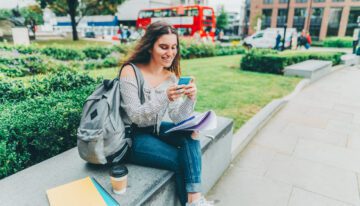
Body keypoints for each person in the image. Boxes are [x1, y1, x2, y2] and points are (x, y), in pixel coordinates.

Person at [118, 21, 213, 206]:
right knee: (181, 160)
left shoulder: (170, 77)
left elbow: (178, 116)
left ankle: (194, 200)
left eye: (174, 47)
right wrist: (164, 98)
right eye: (163, 47)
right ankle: (194, 201)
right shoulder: (130, 71)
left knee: (192, 133)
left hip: (155, 129)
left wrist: (190, 99)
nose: (170, 53)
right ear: (150, 46)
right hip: (131, 136)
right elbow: (135, 115)